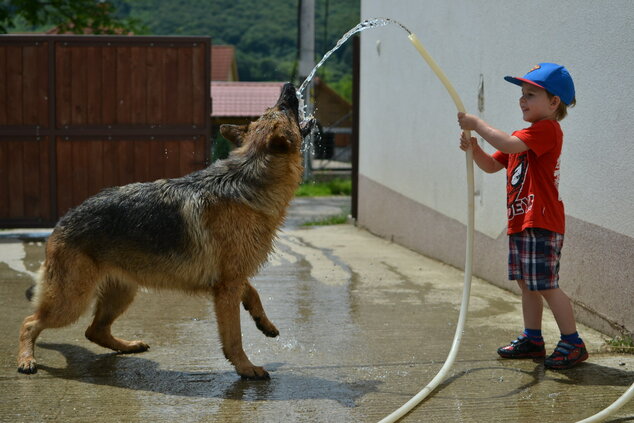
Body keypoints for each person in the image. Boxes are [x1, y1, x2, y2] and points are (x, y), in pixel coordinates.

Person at [457, 63, 588, 369]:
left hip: (541, 222)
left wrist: (477, 124)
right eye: (522, 94)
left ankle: (573, 341)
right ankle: (533, 339)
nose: (522, 99)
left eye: (531, 94)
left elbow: (505, 143)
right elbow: (491, 165)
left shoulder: (547, 130)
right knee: (527, 284)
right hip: (521, 221)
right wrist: (475, 149)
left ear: (554, 102)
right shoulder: (524, 138)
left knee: (545, 283)